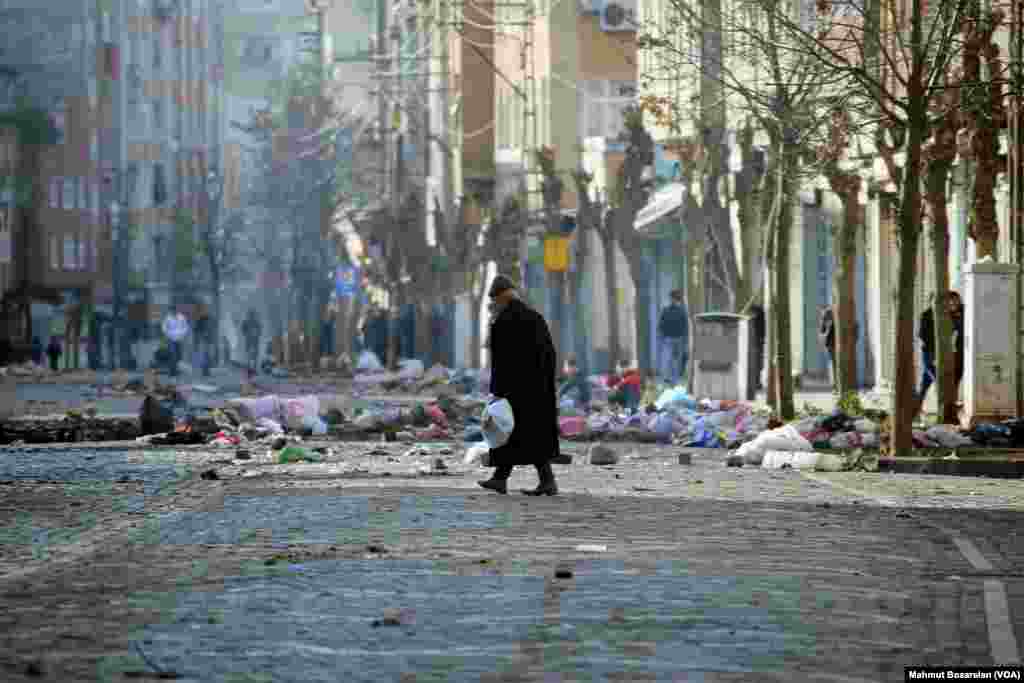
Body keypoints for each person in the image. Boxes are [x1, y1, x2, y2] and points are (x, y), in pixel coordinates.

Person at [477, 275, 561, 497]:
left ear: (500, 299)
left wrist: (496, 390)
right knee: (526, 435)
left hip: (513, 389)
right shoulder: (534, 317)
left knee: (511, 432)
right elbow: (550, 354)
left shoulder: (503, 321)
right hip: (538, 388)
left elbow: (497, 356)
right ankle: (505, 479)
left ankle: (511, 479)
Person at [917, 291, 965, 407]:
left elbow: (955, 330)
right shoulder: (926, 315)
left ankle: (915, 411)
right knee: (940, 381)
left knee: (925, 384)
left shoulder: (949, 314)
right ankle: (946, 407)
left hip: (948, 353)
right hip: (929, 353)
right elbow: (922, 335)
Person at [658, 290, 689, 386]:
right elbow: (685, 326)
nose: (673, 300)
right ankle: (673, 379)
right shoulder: (682, 311)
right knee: (675, 359)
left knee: (669, 358)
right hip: (677, 338)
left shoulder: (666, 310)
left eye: (673, 298)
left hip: (670, 338)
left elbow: (661, 325)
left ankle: (669, 378)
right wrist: (685, 339)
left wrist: (662, 336)